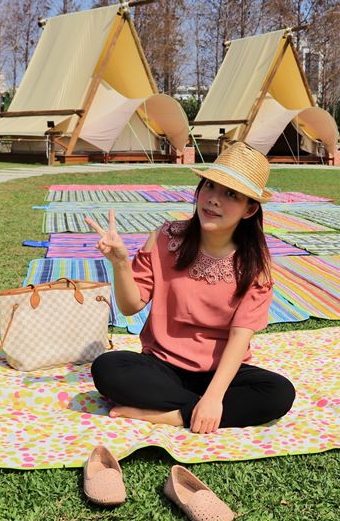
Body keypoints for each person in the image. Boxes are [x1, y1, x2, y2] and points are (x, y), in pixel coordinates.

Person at [88, 142, 296, 434]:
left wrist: (214, 396)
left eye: (230, 194)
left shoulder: (254, 263)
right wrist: (121, 263)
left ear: (250, 209)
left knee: (279, 392)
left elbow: (239, 338)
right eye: (209, 186)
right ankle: (204, 410)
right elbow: (129, 306)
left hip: (221, 373)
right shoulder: (165, 237)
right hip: (163, 366)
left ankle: (173, 415)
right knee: (108, 368)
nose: (213, 199)